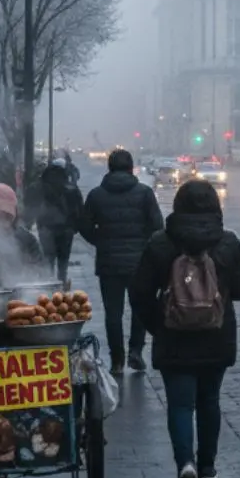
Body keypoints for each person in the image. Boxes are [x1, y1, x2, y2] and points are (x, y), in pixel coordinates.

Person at [129, 180, 240, 478]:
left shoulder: (161, 244)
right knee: (210, 401)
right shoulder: (227, 243)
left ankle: (184, 463)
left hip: (174, 337)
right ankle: (208, 468)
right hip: (217, 335)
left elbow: (139, 291)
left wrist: (157, 325)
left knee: (181, 404)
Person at [79, 148, 163, 374]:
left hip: (109, 262)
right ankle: (135, 352)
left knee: (113, 313)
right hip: (139, 262)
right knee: (140, 309)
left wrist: (100, 241)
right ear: (130, 167)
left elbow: (84, 225)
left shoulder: (97, 195)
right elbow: (158, 226)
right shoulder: (144, 193)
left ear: (109, 168)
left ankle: (117, 359)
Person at [24, 159, 84, 284]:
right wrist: (75, 227)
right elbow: (79, 209)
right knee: (63, 262)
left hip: (46, 227)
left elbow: (31, 205)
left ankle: (49, 286)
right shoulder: (71, 187)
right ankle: (62, 287)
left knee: (48, 259)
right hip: (66, 229)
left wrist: (29, 223)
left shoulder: (40, 185)